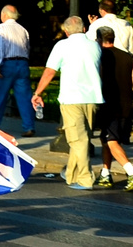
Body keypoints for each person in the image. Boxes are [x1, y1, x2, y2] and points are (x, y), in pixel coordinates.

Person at [31, 17, 104, 190]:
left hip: (72, 98)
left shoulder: (62, 46)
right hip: (93, 97)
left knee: (77, 140)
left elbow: (50, 72)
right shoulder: (94, 46)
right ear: (84, 28)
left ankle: (85, 179)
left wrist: (38, 93)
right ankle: (71, 174)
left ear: (66, 31)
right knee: (82, 138)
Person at [94, 25, 133, 190]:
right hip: (125, 103)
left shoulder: (99, 57)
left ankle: (132, 172)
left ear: (99, 39)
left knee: (110, 140)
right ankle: (105, 173)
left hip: (108, 103)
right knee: (108, 138)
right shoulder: (127, 57)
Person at [0, 5, 35, 135]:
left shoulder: (0, 28)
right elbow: (27, 48)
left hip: (7, 64)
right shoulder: (23, 30)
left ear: (4, 14)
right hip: (23, 63)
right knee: (25, 97)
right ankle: (29, 126)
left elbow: (0, 47)